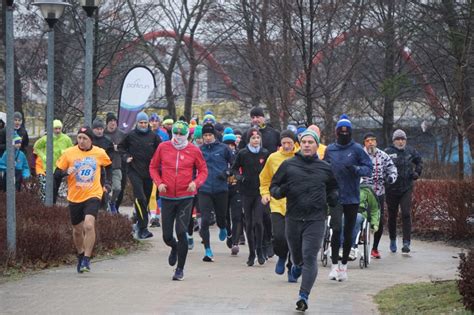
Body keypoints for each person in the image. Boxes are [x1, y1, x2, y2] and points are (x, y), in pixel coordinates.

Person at [270, 129, 338, 312]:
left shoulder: (325, 167)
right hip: (292, 217)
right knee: (298, 257)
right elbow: (274, 186)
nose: (307, 145)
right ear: (300, 145)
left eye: (311, 142)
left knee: (309, 256)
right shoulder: (288, 165)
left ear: (317, 145)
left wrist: (333, 197)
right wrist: (279, 192)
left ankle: (303, 296)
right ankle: (296, 266)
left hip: (316, 218)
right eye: (305, 142)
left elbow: (333, 188)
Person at [149, 121, 208, 281]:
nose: (179, 137)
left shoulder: (194, 150)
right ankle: (173, 247)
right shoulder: (163, 147)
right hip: (167, 196)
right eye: (176, 133)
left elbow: (203, 170)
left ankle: (180, 269)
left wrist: (195, 183)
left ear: (187, 135)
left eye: (182, 134)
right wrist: (159, 182)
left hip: (185, 197)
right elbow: (153, 167)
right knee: (167, 236)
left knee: (182, 232)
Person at [54, 126, 112, 273]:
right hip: (75, 196)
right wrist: (65, 172)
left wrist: (107, 184)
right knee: (77, 230)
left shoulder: (99, 153)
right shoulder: (69, 153)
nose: (81, 141)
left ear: (90, 139)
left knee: (89, 225)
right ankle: (80, 253)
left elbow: (109, 166)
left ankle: (87, 259)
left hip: (93, 194)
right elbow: (56, 173)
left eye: (84, 138)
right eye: (79, 137)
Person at [324, 114, 372, 282]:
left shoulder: (357, 149)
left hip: (352, 196)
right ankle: (334, 265)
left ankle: (344, 266)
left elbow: (368, 167)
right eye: (341, 131)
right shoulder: (330, 149)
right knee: (336, 229)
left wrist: (356, 170)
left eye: (347, 131)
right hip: (336, 195)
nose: (344, 134)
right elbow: (324, 168)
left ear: (351, 133)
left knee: (349, 231)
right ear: (336, 132)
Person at [259, 130, 299, 282]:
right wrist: (265, 193)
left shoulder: (300, 157)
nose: (287, 146)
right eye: (284, 143)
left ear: (295, 142)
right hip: (277, 203)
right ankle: (281, 255)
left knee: (294, 239)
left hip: (296, 204)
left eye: (289, 143)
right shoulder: (273, 158)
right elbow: (264, 179)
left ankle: (291, 267)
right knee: (280, 236)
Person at [119, 112, 161, 239]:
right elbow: (121, 147)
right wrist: (126, 157)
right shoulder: (130, 136)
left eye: (145, 123)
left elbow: (161, 150)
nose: (143, 125)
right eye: (141, 123)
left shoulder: (153, 137)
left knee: (146, 200)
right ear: (137, 123)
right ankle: (143, 228)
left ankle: (138, 222)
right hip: (134, 170)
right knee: (140, 198)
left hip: (149, 172)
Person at [232, 127, 270, 266]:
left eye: (258, 138)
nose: (256, 140)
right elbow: (234, 168)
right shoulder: (243, 153)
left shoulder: (265, 153)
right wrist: (239, 177)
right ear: (249, 140)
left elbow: (270, 170)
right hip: (246, 192)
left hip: (260, 192)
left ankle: (260, 250)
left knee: (258, 222)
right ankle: (251, 252)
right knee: (248, 223)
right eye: (253, 138)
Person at [198, 123, 233, 261]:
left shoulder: (224, 148)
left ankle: (223, 227)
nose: (207, 138)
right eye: (205, 135)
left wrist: (227, 173)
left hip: (221, 188)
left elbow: (234, 164)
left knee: (221, 217)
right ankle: (207, 249)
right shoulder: (199, 150)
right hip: (204, 189)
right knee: (205, 220)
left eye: (209, 135)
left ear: (214, 135)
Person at [385, 129, 423, 254]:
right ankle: (392, 239)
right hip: (391, 189)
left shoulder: (410, 151)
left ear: (405, 141)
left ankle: (406, 242)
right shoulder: (387, 152)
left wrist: (417, 172)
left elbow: (419, 161)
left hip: (406, 187)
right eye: (398, 139)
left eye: (403, 139)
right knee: (392, 216)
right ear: (394, 141)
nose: (401, 142)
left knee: (406, 213)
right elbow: (381, 167)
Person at [361, 132, 398, 259]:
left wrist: (390, 178)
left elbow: (392, 169)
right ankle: (359, 238)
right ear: (364, 143)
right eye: (368, 140)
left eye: (373, 140)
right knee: (361, 217)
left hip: (378, 192)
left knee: (380, 220)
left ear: (376, 142)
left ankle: (375, 248)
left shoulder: (383, 156)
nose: (371, 142)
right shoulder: (359, 155)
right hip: (363, 193)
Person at [33, 119, 73, 203]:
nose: (58, 130)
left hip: (60, 168)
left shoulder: (66, 139)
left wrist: (66, 155)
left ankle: (52, 205)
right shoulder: (46, 138)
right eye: (55, 128)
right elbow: (36, 147)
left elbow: (72, 151)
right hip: (48, 167)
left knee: (56, 187)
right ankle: (48, 204)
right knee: (52, 187)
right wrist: (43, 156)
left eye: (59, 128)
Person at [222, 128, 243, 255]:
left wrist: (240, 177)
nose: (230, 147)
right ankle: (229, 234)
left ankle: (235, 242)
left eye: (232, 144)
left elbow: (244, 170)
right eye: (227, 145)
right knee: (224, 217)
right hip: (223, 190)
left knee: (236, 216)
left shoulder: (240, 155)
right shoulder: (220, 156)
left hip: (237, 189)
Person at [104, 112, 127, 212]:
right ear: (107, 123)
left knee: (117, 188)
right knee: (104, 190)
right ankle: (106, 207)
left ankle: (112, 202)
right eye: (111, 121)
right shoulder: (102, 133)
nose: (113, 123)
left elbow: (126, 148)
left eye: (114, 121)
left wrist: (119, 149)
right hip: (104, 166)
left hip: (117, 165)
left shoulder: (121, 134)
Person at [91, 118, 115, 212]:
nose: (99, 131)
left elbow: (110, 156)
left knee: (102, 193)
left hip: (102, 171)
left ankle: (103, 209)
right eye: (97, 129)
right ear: (93, 129)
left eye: (101, 129)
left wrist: (104, 161)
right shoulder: (88, 139)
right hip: (89, 170)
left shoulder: (107, 141)